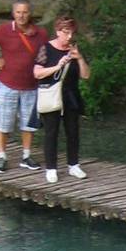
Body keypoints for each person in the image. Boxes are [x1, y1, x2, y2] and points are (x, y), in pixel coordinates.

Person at [0, 0, 48, 173]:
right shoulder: (4, 30)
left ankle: (26, 155)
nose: (22, 16)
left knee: (29, 123)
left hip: (32, 85)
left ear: (30, 13)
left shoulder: (41, 33)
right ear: (13, 13)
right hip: (8, 84)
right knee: (3, 121)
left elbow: (45, 55)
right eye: (18, 12)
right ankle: (2, 156)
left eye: (25, 12)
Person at [32, 12, 91, 184]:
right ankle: (51, 168)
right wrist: (57, 66)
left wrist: (79, 58)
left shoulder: (74, 50)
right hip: (51, 95)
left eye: (71, 32)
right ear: (58, 31)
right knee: (51, 132)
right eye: (66, 32)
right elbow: (37, 73)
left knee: (73, 131)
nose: (69, 36)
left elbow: (86, 75)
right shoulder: (46, 48)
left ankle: (74, 165)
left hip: (71, 95)